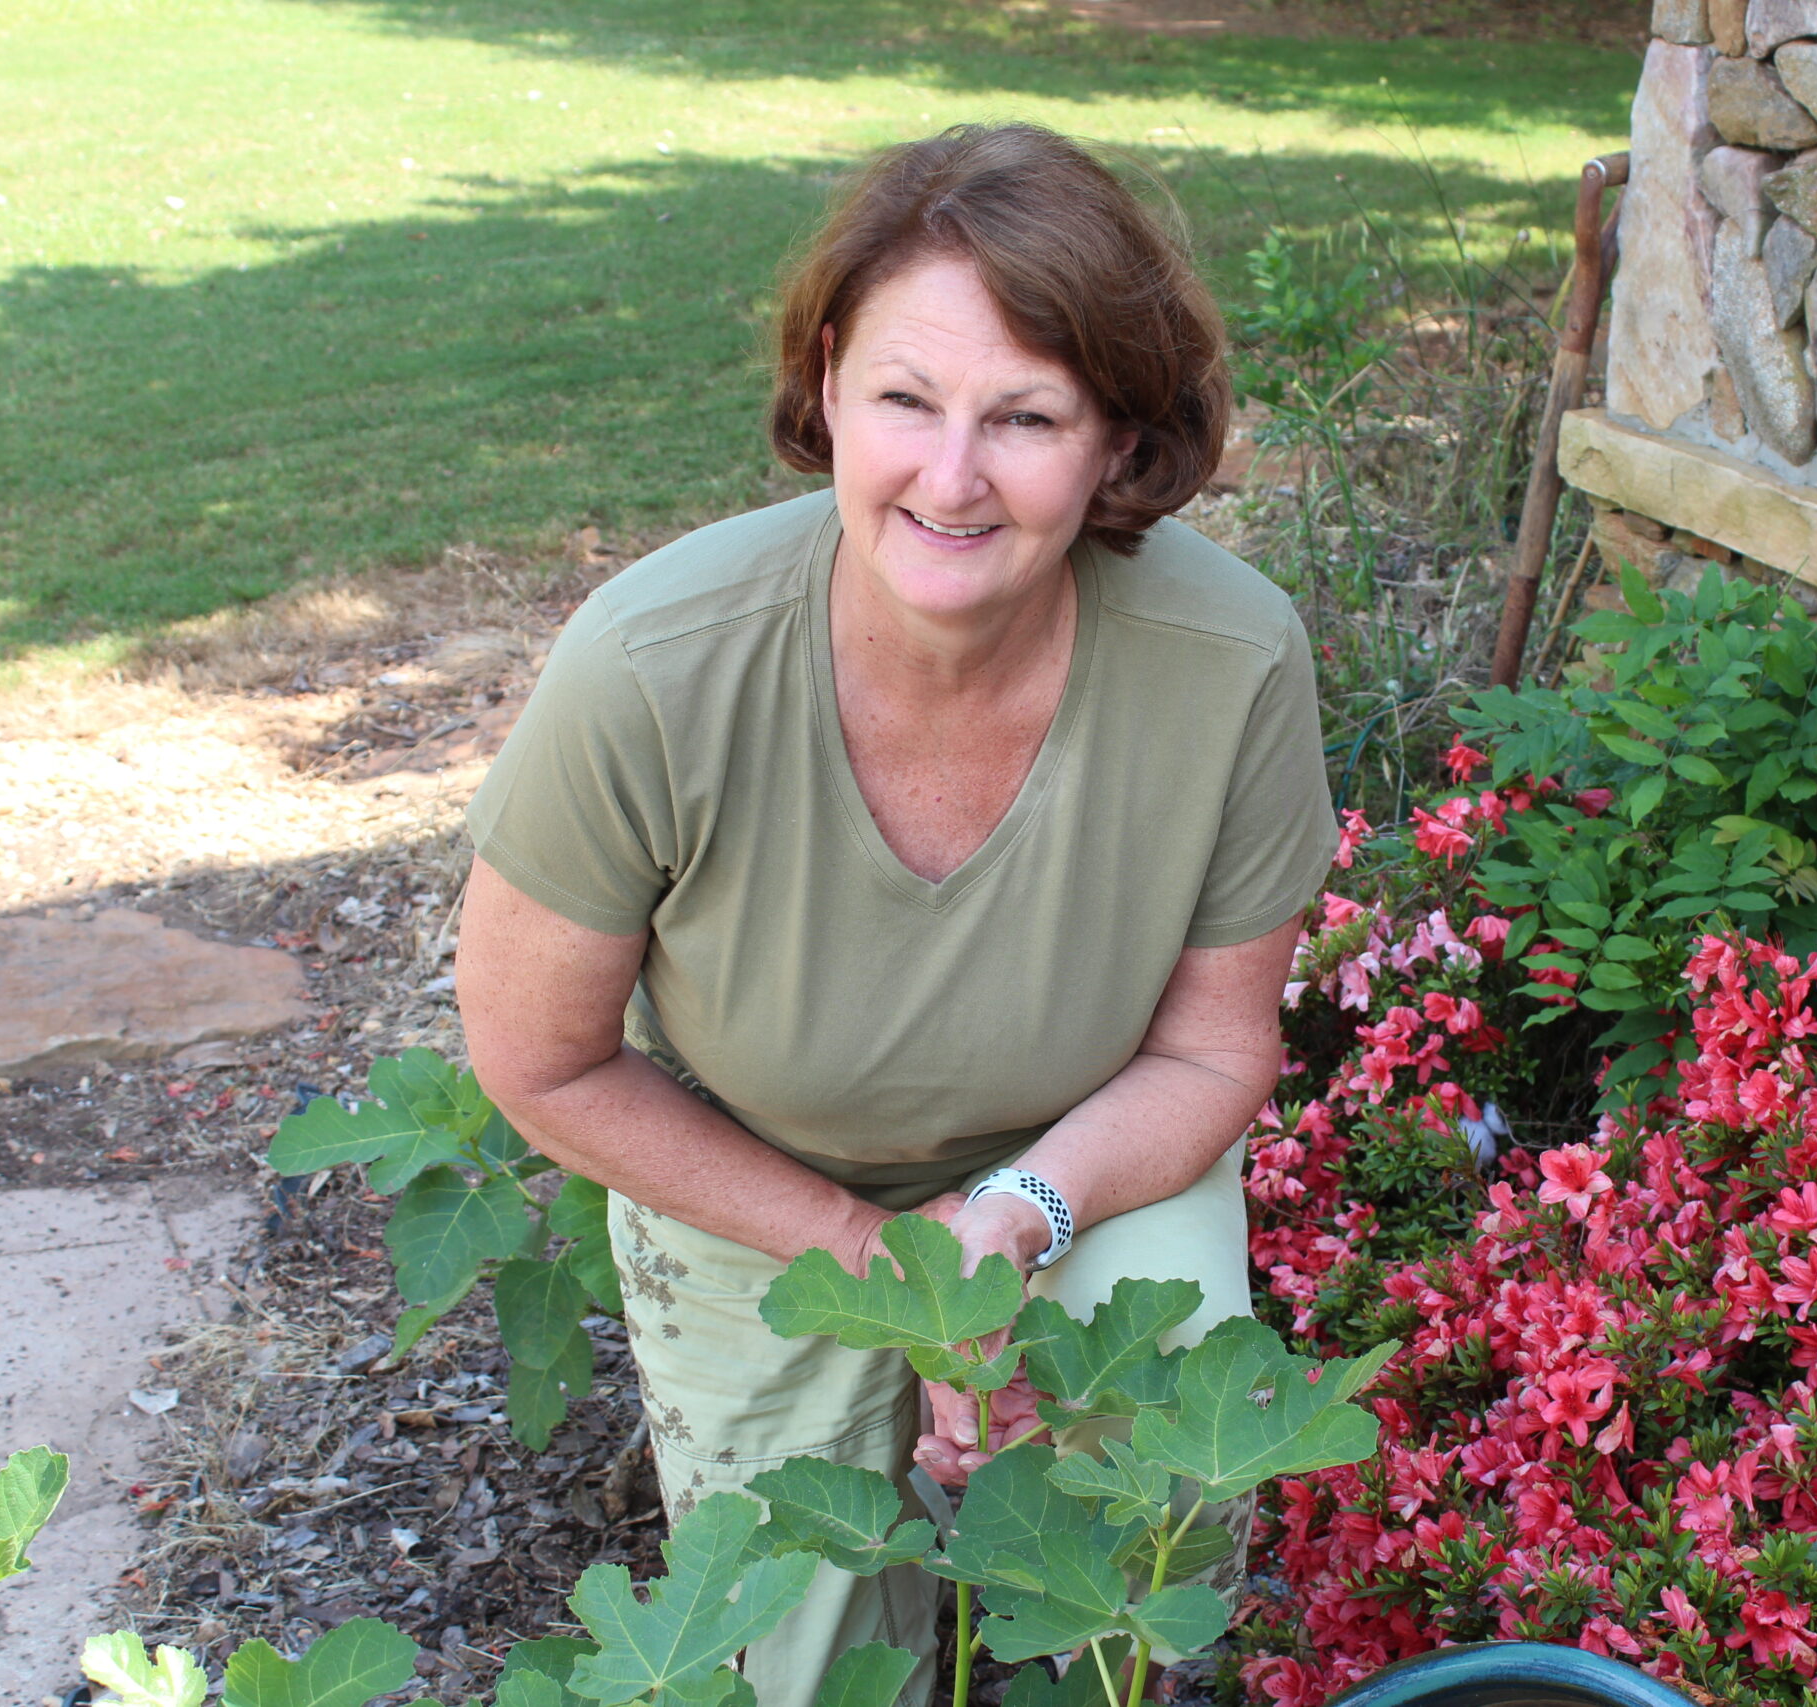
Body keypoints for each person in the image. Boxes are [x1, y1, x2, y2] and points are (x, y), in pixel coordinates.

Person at [455, 122, 1337, 1706]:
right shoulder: (653, 669)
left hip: (1088, 1178)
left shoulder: (1233, 663)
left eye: (1026, 417)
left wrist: (1011, 1228)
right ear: (826, 385)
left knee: (1143, 1566)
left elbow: (1214, 1058)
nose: (951, 476)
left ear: (1122, 443)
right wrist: (887, 1263)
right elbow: (541, 1061)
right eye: (905, 402)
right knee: (797, 1672)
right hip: (757, 1197)